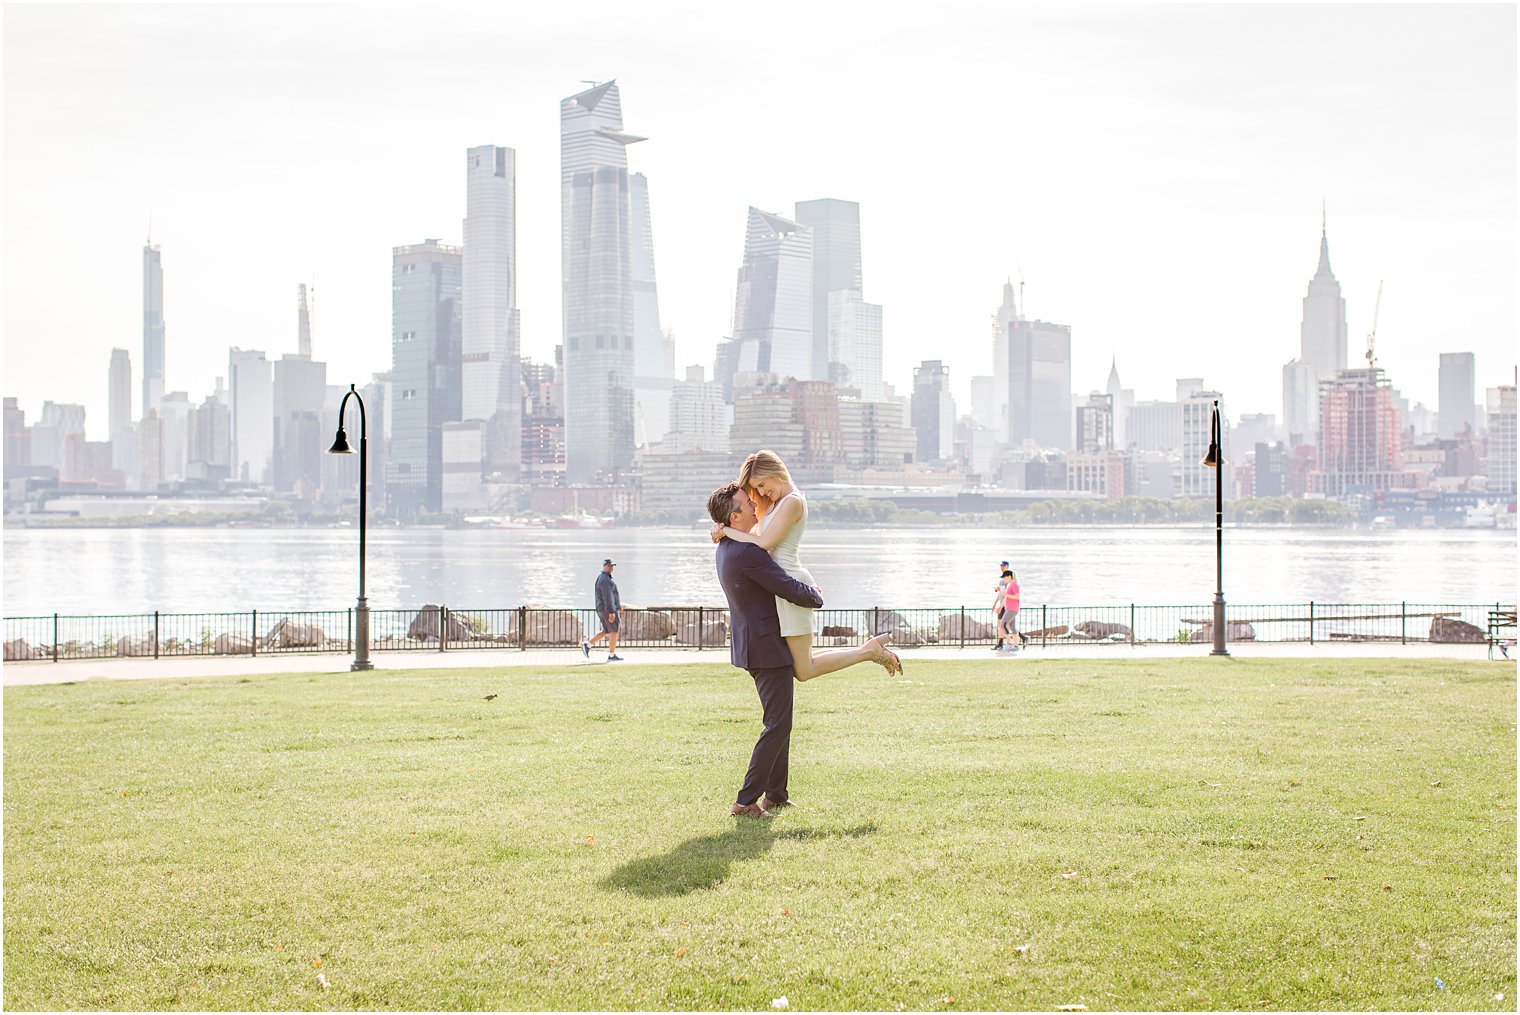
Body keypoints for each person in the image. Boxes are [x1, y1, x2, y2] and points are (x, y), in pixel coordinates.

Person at [711, 449, 901, 679]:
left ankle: (868, 652)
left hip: (789, 582)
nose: (761, 492)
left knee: (804, 669)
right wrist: (722, 528)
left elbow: (763, 543)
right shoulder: (773, 503)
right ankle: (867, 650)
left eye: (762, 484)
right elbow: (752, 534)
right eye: (757, 489)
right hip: (780, 584)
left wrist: (727, 531)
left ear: (775, 472)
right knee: (801, 661)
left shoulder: (793, 502)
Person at [708, 481, 827, 819]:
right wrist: (815, 596)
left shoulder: (728, 547)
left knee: (780, 722)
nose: (755, 507)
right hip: (765, 648)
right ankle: (746, 802)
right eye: (748, 504)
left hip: (754, 646)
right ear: (734, 516)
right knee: (777, 724)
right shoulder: (747, 552)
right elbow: (785, 585)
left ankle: (775, 795)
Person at [582, 559, 623, 662]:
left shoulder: (603, 578)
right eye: (609, 566)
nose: (611, 568)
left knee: (606, 630)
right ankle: (611, 655)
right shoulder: (605, 580)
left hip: (601, 608)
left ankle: (588, 644)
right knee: (614, 630)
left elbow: (611, 595)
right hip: (606, 609)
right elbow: (608, 597)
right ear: (604, 566)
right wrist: (611, 612)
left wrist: (617, 605)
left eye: (612, 566)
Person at [996, 568, 1028, 651]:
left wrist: (1005, 594)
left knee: (1002, 624)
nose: (1003, 579)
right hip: (1009, 609)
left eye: (1005, 577)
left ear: (1009, 577)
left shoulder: (1015, 585)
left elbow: (1017, 597)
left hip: (1012, 609)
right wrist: (1000, 607)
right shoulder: (1010, 585)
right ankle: (1016, 646)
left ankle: (1009, 643)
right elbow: (1006, 598)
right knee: (1012, 627)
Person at [991, 560, 1011, 651]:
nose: (1001, 567)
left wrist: (1001, 606)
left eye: (1003, 565)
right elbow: (1000, 593)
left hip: (1007, 605)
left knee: (1005, 625)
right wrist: (995, 603)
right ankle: (1000, 643)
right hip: (1001, 604)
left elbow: (1007, 593)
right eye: (1000, 565)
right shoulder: (1001, 579)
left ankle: (1007, 643)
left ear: (1007, 566)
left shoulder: (1008, 578)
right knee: (1000, 624)